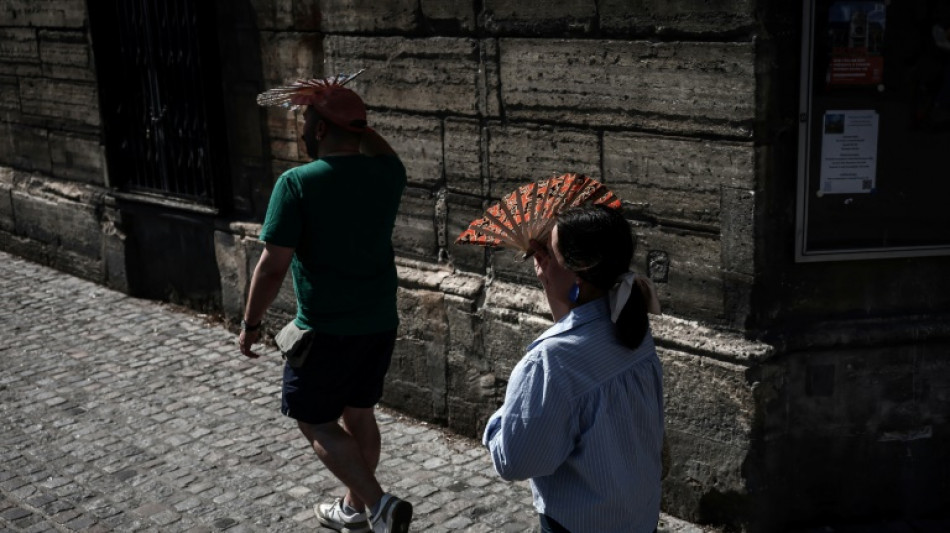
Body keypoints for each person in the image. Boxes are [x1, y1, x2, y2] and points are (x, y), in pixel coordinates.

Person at [238, 80, 412, 533]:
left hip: (325, 328)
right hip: (378, 320)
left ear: (318, 132)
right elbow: (378, 146)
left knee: (313, 418)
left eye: (305, 123)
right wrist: (344, 113)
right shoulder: (389, 174)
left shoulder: (296, 183)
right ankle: (355, 510)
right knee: (360, 414)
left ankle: (379, 505)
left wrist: (251, 324)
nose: (300, 131)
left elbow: (273, 267)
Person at [482, 204, 665, 533]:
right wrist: (553, 281)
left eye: (551, 253)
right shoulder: (634, 328)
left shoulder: (549, 362)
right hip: (637, 520)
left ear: (580, 270)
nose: (544, 262)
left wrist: (501, 418)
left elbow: (514, 460)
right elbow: (578, 340)